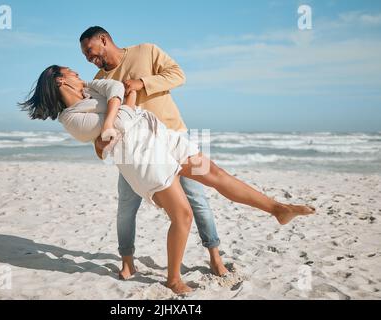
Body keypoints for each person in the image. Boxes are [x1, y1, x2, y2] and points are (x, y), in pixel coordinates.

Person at [19, 65, 316, 294]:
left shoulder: (90, 89)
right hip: (142, 158)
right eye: (72, 71)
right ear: (60, 80)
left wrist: (117, 108)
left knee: (216, 175)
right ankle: (173, 278)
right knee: (183, 215)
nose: (79, 72)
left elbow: (114, 90)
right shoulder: (72, 119)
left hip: (162, 136)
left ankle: (277, 208)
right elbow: (121, 115)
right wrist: (121, 108)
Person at [79, 26, 230, 279]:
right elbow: (103, 119)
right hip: (133, 152)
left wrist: (142, 83)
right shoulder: (99, 80)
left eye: (90, 51)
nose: (89, 58)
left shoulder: (146, 50)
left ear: (104, 40)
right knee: (127, 206)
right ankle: (127, 261)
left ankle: (215, 257)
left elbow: (178, 75)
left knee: (198, 200)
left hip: (175, 136)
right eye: (85, 55)